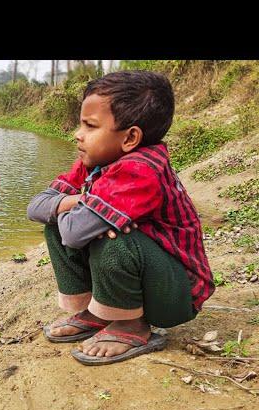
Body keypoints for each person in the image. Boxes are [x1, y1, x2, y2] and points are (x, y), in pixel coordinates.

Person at [27, 70, 215, 365]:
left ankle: (131, 326)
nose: (78, 134)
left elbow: (75, 233)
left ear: (130, 137)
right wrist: (82, 202)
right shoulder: (94, 163)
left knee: (109, 238)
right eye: (81, 124)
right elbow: (36, 207)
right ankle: (97, 313)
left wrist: (75, 211)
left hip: (175, 293)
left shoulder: (140, 170)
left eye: (90, 126)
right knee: (66, 224)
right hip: (150, 278)